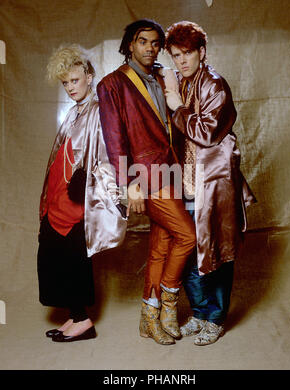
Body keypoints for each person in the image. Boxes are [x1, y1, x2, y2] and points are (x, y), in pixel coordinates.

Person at [97, 19, 196, 345]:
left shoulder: (161, 76)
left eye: (155, 43)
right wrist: (129, 183)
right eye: (143, 42)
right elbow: (115, 139)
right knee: (188, 236)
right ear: (129, 45)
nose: (150, 48)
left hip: (171, 168)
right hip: (145, 175)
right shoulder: (112, 84)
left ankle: (148, 317)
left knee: (162, 244)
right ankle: (168, 304)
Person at [163, 21, 256, 345]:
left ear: (201, 52)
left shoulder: (215, 85)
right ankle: (200, 312)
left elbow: (206, 133)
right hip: (186, 182)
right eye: (176, 55)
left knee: (215, 250)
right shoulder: (183, 85)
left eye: (187, 53)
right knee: (188, 247)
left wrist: (176, 107)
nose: (182, 61)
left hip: (213, 182)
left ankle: (216, 318)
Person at [38, 45, 127, 342]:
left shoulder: (101, 108)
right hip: (59, 196)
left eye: (74, 80)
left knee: (72, 257)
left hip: (79, 199)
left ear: (89, 77)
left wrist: (86, 177)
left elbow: (110, 152)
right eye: (65, 83)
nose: (70, 87)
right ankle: (74, 316)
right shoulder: (75, 110)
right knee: (55, 255)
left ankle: (83, 321)